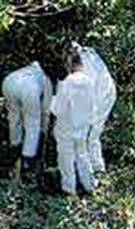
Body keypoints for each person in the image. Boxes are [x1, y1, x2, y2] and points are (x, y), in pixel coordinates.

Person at [51, 51, 97, 196]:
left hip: (66, 126)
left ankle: (69, 189)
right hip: (83, 126)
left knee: (66, 158)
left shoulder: (67, 83)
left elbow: (58, 109)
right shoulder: (90, 82)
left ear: (69, 64)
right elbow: (93, 107)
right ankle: (89, 185)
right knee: (82, 155)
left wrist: (51, 101)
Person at [1, 61, 53, 176]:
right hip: (29, 88)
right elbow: (45, 110)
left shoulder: (28, 70)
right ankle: (27, 162)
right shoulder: (46, 80)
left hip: (9, 81)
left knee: (14, 118)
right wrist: (43, 131)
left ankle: (14, 151)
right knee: (33, 123)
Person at [74, 43, 117, 173]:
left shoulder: (85, 60)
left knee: (90, 134)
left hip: (102, 96)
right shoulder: (88, 55)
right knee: (91, 134)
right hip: (103, 93)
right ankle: (96, 168)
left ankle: (93, 169)